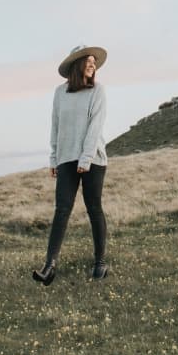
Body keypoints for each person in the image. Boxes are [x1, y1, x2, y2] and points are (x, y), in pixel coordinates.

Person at [32, 44, 110, 285]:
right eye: (87, 60)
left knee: (93, 208)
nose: (92, 64)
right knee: (61, 210)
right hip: (66, 157)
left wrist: (86, 159)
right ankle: (49, 266)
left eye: (93, 62)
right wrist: (54, 157)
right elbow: (55, 125)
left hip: (93, 159)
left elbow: (95, 126)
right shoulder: (60, 93)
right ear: (76, 64)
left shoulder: (97, 91)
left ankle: (100, 262)